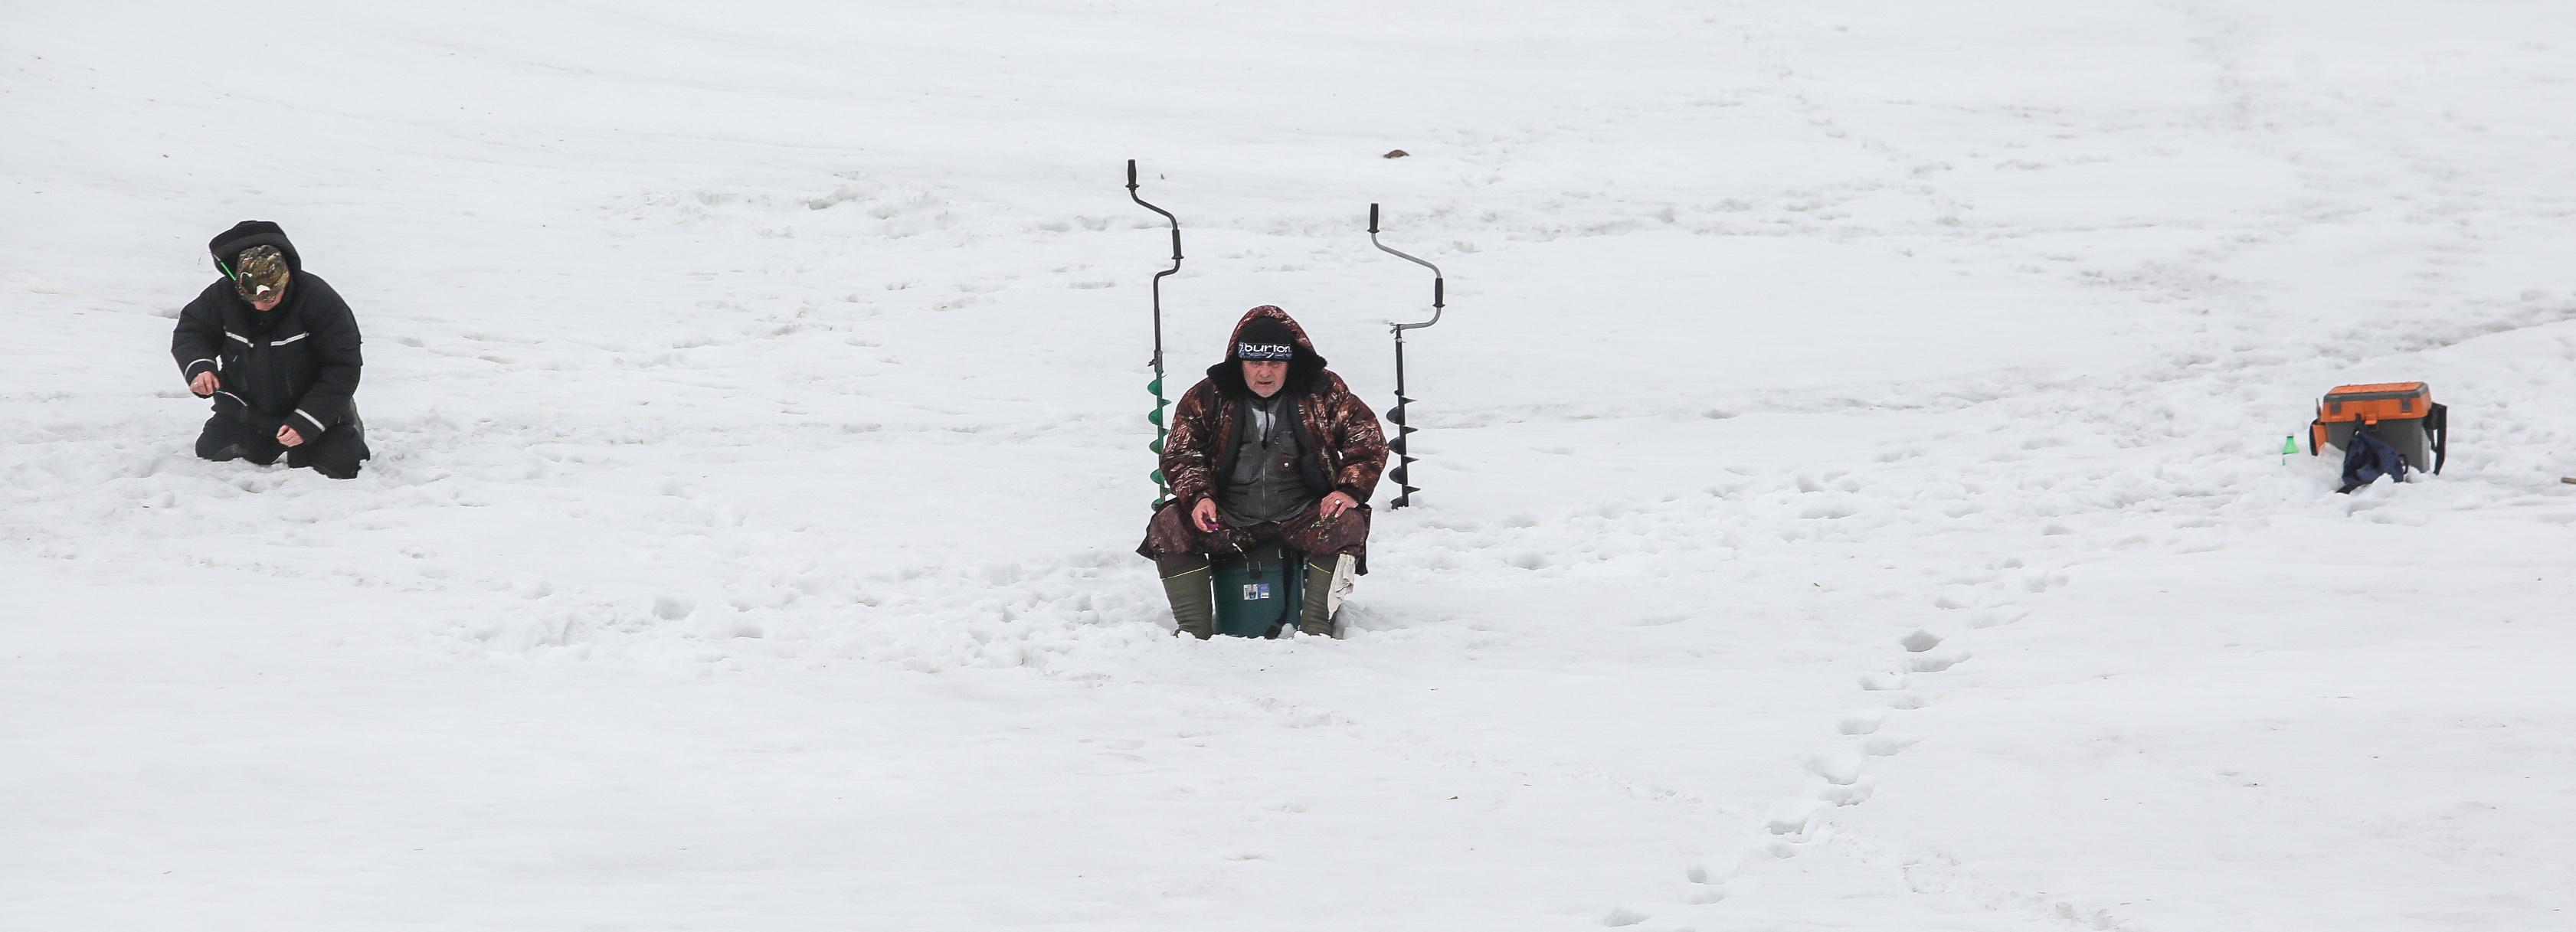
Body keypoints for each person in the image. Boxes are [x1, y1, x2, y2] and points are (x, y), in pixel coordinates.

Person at [1138, 306, 1389, 638]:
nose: (1265, 373)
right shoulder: (1208, 395)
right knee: (1169, 523)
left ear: (1291, 363)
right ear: (1240, 363)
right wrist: (1199, 497)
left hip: (1303, 514)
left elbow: (1367, 439)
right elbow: (1182, 454)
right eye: (1255, 362)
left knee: (1348, 522)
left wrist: (1347, 490)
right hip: (1228, 515)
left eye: (1275, 363)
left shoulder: (1323, 391)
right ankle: (1192, 631)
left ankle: (1316, 627)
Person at [172, 221, 369, 479]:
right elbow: (192, 331)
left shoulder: (321, 301)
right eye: (251, 299)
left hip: (313, 409)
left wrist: (307, 422)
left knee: (340, 465)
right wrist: (199, 368)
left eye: (269, 299)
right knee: (213, 451)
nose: (260, 307)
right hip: (248, 409)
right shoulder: (221, 296)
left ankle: (344, 423)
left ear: (285, 281)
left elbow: (343, 368)